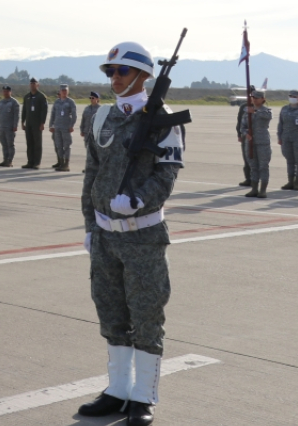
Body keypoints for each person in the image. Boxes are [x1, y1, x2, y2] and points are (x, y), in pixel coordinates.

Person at [77, 41, 185, 426]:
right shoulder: (101, 118)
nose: (113, 78)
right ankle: (118, 390)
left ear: (142, 76)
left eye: (121, 71)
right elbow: (91, 174)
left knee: (146, 315)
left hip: (142, 236)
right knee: (110, 312)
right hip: (106, 236)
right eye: (109, 72)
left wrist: (139, 199)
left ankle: (143, 396)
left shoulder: (163, 119)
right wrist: (91, 225)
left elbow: (168, 174)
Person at [276, 91, 298, 191]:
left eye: (295, 96)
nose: (292, 98)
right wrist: (279, 136)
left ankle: (297, 182)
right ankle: (290, 181)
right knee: (289, 160)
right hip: (286, 137)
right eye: (291, 96)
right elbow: (280, 124)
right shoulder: (284, 109)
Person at [239, 90, 272, 198]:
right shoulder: (247, 112)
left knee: (263, 166)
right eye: (253, 97)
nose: (254, 99)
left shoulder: (265, 110)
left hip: (262, 142)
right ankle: (254, 189)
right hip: (250, 142)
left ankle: (263, 190)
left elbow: (268, 117)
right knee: (253, 166)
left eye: (257, 98)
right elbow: (242, 126)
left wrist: (255, 112)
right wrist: (246, 134)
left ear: (262, 99)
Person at [50, 84, 79, 172]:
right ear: (60, 91)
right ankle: (61, 162)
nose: (64, 92)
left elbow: (74, 115)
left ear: (68, 91)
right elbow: (53, 114)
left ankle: (66, 164)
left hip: (66, 127)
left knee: (66, 146)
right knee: (59, 145)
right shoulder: (57, 102)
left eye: (65, 90)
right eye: (62, 90)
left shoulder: (71, 102)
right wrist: (51, 125)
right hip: (57, 127)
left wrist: (71, 125)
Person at [21, 78, 48, 169]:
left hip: (37, 123)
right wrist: (22, 121)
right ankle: (30, 161)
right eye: (31, 83)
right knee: (29, 143)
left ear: (37, 85)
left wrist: (42, 123)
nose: (32, 85)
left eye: (34, 83)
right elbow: (24, 110)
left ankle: (37, 162)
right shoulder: (27, 97)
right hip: (28, 123)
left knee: (37, 143)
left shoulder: (41, 97)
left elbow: (44, 111)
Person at [0, 85, 20, 167]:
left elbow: (16, 115)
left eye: (7, 91)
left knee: (10, 144)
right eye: (4, 91)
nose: (5, 93)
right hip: (2, 127)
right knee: (4, 144)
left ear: (10, 92)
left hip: (10, 127)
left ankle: (9, 161)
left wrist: (15, 125)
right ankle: (5, 159)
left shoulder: (14, 102)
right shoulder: (0, 102)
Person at [80, 91, 102, 156]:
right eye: (90, 98)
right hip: (87, 132)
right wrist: (82, 130)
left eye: (93, 98)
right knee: (88, 149)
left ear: (97, 99)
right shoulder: (87, 109)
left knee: (97, 151)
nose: (91, 99)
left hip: (96, 133)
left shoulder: (101, 109)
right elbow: (83, 120)